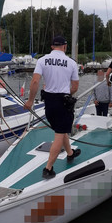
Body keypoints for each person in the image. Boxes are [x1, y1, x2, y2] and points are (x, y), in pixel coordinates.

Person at [24, 35, 80, 179]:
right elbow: (75, 86)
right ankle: (48, 169)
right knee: (59, 135)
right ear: (65, 46)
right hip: (63, 101)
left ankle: (70, 153)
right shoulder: (72, 63)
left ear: (51, 46)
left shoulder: (42, 60)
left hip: (48, 101)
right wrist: (67, 94)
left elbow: (35, 81)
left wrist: (30, 101)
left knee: (60, 129)